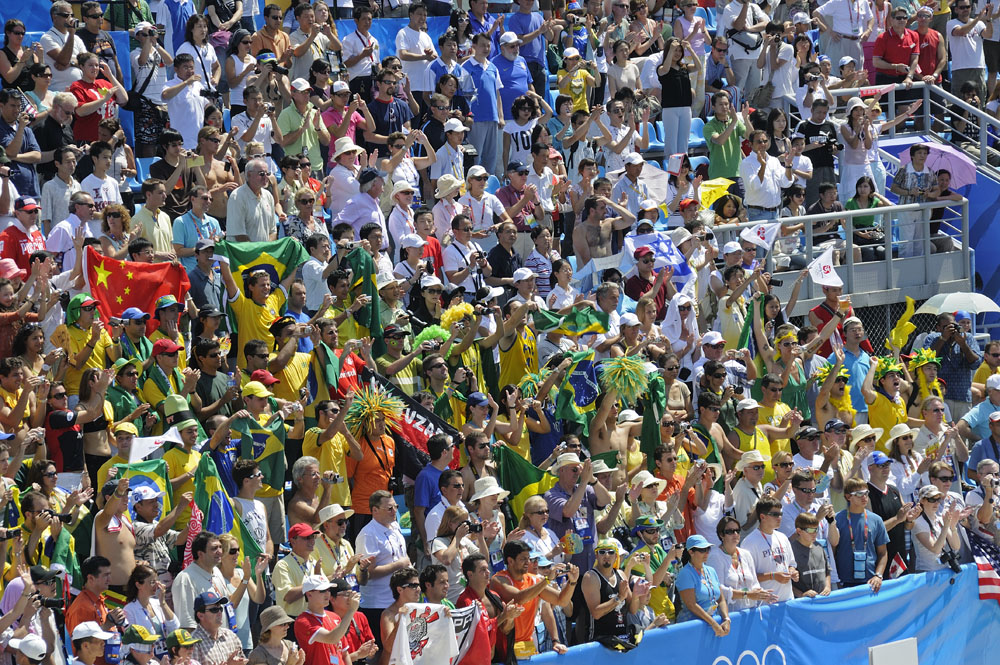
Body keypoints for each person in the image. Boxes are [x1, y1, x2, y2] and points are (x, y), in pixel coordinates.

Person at [833, 477, 889, 591]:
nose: (864, 497)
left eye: (866, 493)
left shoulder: (876, 520)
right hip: (844, 581)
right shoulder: (837, 519)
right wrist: (835, 580)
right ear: (848, 497)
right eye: (859, 494)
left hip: (870, 581)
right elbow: (832, 552)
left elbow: (883, 553)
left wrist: (878, 575)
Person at [742, 496, 798, 602]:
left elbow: (791, 564)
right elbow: (747, 578)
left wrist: (793, 572)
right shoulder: (749, 542)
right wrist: (773, 576)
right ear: (762, 517)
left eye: (780, 514)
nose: (779, 518)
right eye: (775, 514)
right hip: (765, 605)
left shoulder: (783, 537)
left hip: (788, 600)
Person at [674, 534, 729, 637]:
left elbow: (721, 599)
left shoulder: (711, 570)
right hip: (692, 629)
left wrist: (726, 619)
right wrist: (713, 623)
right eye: (702, 550)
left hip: (711, 625)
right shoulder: (685, 573)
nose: (707, 553)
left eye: (708, 549)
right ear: (691, 552)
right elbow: (691, 605)